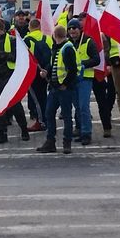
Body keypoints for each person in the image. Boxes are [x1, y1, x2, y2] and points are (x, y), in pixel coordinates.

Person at [0, 17, 29, 144]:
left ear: (2, 29)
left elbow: (15, 57)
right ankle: (2, 132)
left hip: (8, 76)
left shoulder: (12, 41)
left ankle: (24, 129)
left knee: (15, 104)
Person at [37, 25, 78, 154]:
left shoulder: (67, 48)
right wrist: (47, 72)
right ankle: (51, 142)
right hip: (55, 87)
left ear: (55, 36)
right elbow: (53, 64)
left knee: (65, 115)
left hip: (63, 88)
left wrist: (65, 84)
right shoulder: (57, 48)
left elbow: (72, 69)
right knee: (49, 113)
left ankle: (66, 142)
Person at [67, 19, 99, 145]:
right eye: (69, 28)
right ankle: (80, 130)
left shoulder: (88, 41)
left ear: (80, 29)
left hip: (85, 78)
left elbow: (96, 59)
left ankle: (86, 133)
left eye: (74, 28)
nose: (72, 31)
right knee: (77, 107)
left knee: (83, 106)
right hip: (73, 79)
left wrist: (81, 64)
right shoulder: (68, 43)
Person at [24, 19, 52, 132]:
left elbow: (25, 58)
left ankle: (41, 121)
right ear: (40, 27)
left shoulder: (27, 40)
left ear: (29, 27)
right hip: (45, 72)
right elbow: (52, 55)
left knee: (36, 99)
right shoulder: (48, 38)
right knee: (43, 96)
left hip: (33, 73)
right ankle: (46, 119)